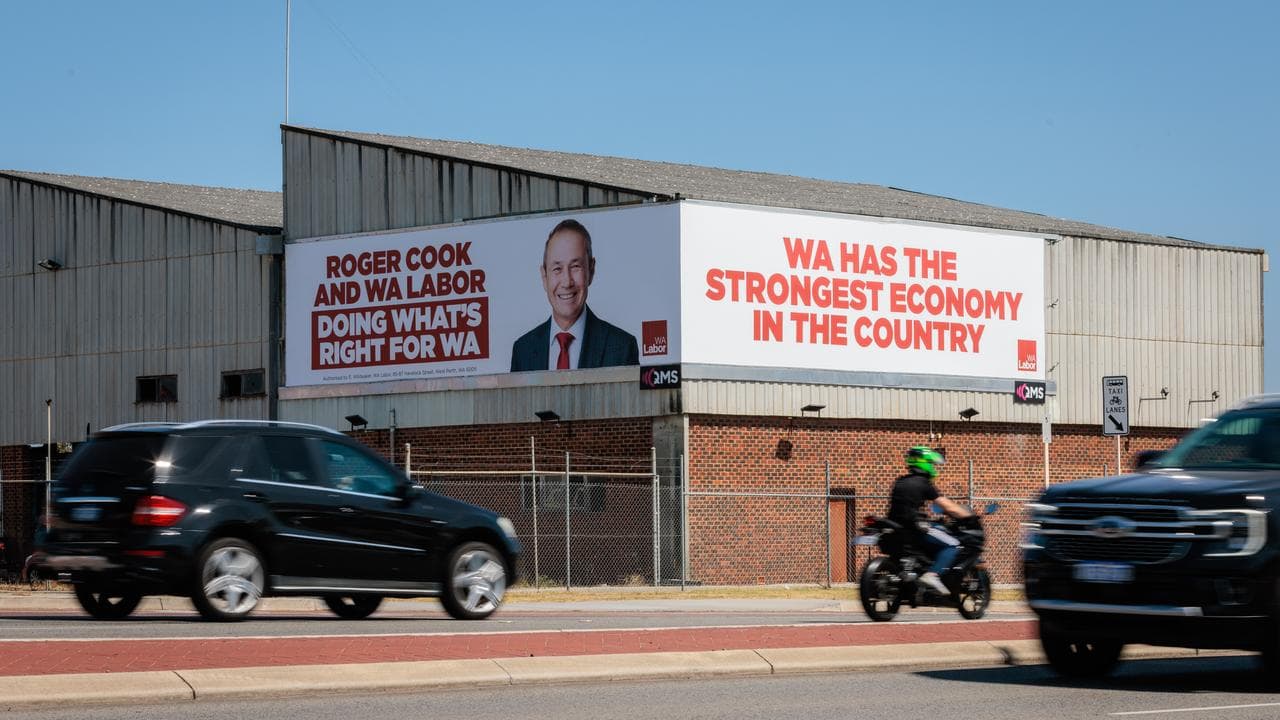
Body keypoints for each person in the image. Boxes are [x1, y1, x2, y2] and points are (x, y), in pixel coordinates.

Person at [510, 219, 639, 372]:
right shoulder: (523, 350)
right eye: (557, 269)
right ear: (544, 277)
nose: (567, 282)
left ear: (591, 270)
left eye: (575, 266)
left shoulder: (621, 347)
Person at [886, 446, 972, 596]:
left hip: (895, 527)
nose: (933, 467)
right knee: (954, 544)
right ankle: (932, 575)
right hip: (915, 527)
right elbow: (947, 506)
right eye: (931, 463)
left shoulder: (899, 481)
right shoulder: (924, 483)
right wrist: (968, 515)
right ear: (925, 463)